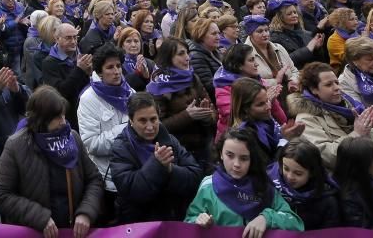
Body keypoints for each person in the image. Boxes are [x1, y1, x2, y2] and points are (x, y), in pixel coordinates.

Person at [0, 85, 103, 237]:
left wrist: (86, 212)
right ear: (41, 119)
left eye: (64, 116)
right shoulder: (16, 146)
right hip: (34, 232)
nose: (64, 122)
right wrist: (39, 218)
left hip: (72, 231)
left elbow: (94, 180)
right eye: (58, 118)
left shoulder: (73, 138)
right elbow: (2, 194)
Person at [185, 127, 304, 233]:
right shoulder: (208, 186)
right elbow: (187, 223)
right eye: (230, 155)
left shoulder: (264, 185)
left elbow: (295, 223)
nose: (236, 164)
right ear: (221, 154)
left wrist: (267, 218)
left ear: (252, 159)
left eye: (244, 158)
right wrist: (198, 220)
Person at [109, 92, 202, 223]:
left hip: (173, 218)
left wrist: (170, 169)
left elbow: (195, 176)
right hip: (140, 223)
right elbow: (130, 190)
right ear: (131, 120)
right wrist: (157, 165)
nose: (150, 127)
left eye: (153, 119)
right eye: (142, 120)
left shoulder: (170, 140)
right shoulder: (122, 147)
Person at [286, 61, 373, 171]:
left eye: (337, 82)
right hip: (347, 181)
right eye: (329, 84)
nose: (337, 87)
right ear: (313, 89)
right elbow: (326, 157)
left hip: (371, 170)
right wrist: (356, 134)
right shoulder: (306, 118)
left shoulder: (351, 106)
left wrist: (368, 130)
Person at [147, 37, 215, 167]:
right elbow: (157, 126)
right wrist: (187, 116)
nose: (188, 58)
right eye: (181, 54)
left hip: (203, 145)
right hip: (177, 152)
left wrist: (207, 115)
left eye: (187, 53)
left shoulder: (192, 77)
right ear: (168, 58)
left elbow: (212, 110)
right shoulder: (158, 86)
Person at [77, 43, 131, 204]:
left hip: (131, 175)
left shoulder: (130, 93)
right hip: (106, 179)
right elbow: (91, 144)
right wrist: (126, 131)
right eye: (110, 67)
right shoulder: (88, 99)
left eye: (118, 66)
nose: (116, 72)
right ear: (100, 72)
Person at [213, 44, 287, 140]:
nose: (256, 64)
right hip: (236, 140)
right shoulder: (224, 88)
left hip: (264, 131)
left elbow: (281, 118)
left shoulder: (258, 80)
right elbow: (234, 118)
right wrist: (266, 100)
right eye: (251, 60)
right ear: (239, 65)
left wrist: (284, 125)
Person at [267, 139, 341, 230]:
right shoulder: (268, 181)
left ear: (312, 173)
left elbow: (331, 233)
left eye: (298, 173)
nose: (290, 177)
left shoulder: (327, 201)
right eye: (286, 168)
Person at [229, 78, 304, 161]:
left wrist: (290, 137)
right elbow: (269, 169)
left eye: (267, 100)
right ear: (245, 109)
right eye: (260, 104)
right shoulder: (246, 136)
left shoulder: (265, 118)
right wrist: (285, 140)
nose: (268, 106)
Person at [39, 22, 92, 129]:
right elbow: (60, 93)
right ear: (57, 39)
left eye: (75, 38)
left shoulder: (81, 55)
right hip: (68, 116)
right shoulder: (49, 63)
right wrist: (79, 70)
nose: (73, 42)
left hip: (85, 110)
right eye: (68, 38)